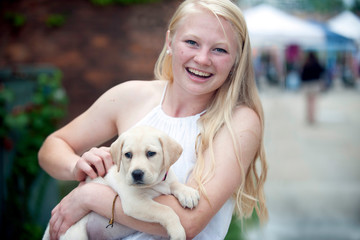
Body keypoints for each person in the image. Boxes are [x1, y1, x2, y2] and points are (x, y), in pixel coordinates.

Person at [38, 0, 268, 239]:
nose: (202, 59)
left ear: (237, 59)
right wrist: (76, 167)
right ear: (169, 42)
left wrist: (88, 196)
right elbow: (52, 146)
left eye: (219, 49)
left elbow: (188, 221)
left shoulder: (237, 122)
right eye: (191, 42)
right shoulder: (131, 97)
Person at [300, 51, 324, 124]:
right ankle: (312, 117)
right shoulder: (316, 64)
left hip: (307, 85)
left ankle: (309, 116)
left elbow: (302, 76)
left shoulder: (305, 64)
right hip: (314, 85)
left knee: (308, 102)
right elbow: (322, 71)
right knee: (313, 103)